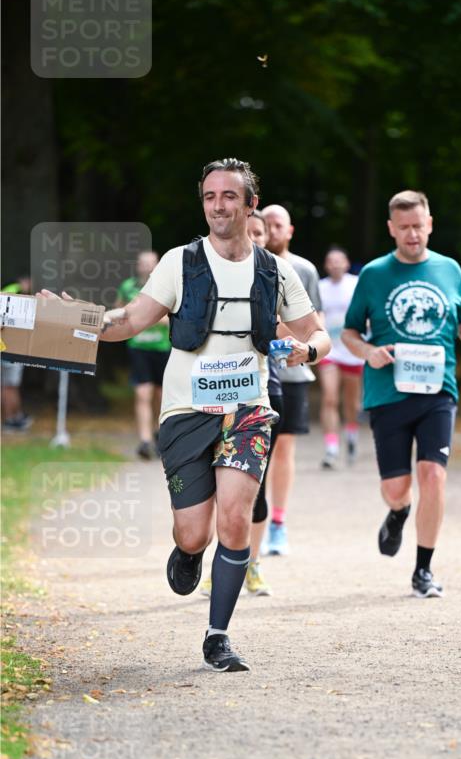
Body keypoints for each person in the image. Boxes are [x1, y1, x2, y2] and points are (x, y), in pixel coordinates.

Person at [46, 159, 329, 673]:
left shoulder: (274, 269)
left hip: (249, 408)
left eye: (228, 196)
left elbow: (318, 333)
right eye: (209, 197)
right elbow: (130, 320)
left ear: (249, 204)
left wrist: (305, 352)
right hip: (186, 409)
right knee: (194, 532)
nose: (218, 205)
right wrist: (81, 322)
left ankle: (218, 635)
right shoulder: (180, 262)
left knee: (236, 517)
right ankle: (189, 552)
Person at [342, 190, 461, 597]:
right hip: (388, 392)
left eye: (418, 226)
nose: (412, 234)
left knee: (432, 475)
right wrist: (368, 352)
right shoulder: (374, 274)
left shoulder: (449, 270)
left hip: (438, 391)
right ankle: (398, 511)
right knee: (396, 488)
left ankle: (423, 570)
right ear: (391, 230)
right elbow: (348, 332)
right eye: (404, 228)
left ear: (429, 224)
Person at [200, 209, 283, 597]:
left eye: (258, 232)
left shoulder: (277, 275)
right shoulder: (209, 270)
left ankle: (253, 563)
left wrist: (303, 347)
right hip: (212, 396)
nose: (252, 238)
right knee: (219, 485)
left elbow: (305, 327)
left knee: (254, 486)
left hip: (265, 394)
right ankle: (220, 562)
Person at [261, 204, 322, 555]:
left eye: (277, 224)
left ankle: (278, 523)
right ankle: (253, 517)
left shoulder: (304, 269)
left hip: (293, 373)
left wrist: (308, 345)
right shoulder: (246, 266)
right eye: (265, 224)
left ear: (289, 230)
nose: (271, 230)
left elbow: (316, 323)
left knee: (283, 448)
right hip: (253, 373)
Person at [115, 251, 168, 459]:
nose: (147, 267)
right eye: (143, 264)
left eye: (151, 264)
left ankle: (158, 431)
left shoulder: (165, 286)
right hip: (139, 348)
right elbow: (119, 311)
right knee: (142, 393)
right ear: (137, 266)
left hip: (163, 348)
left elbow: (174, 318)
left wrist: (145, 319)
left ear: (157, 265)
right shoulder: (128, 287)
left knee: (161, 395)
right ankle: (145, 441)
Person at [317, 247, 364, 469]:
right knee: (329, 397)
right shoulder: (320, 288)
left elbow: (367, 310)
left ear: (346, 264)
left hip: (352, 350)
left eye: (339, 261)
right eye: (331, 261)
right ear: (326, 265)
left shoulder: (356, 284)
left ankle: (352, 435)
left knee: (351, 403)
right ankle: (331, 448)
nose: (335, 265)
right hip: (330, 350)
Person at [1, 276, 33, 432]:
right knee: (9, 386)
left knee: (9, 385)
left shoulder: (9, 290)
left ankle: (15, 417)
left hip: (7, 346)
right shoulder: (17, 294)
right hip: (9, 348)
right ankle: (10, 419)